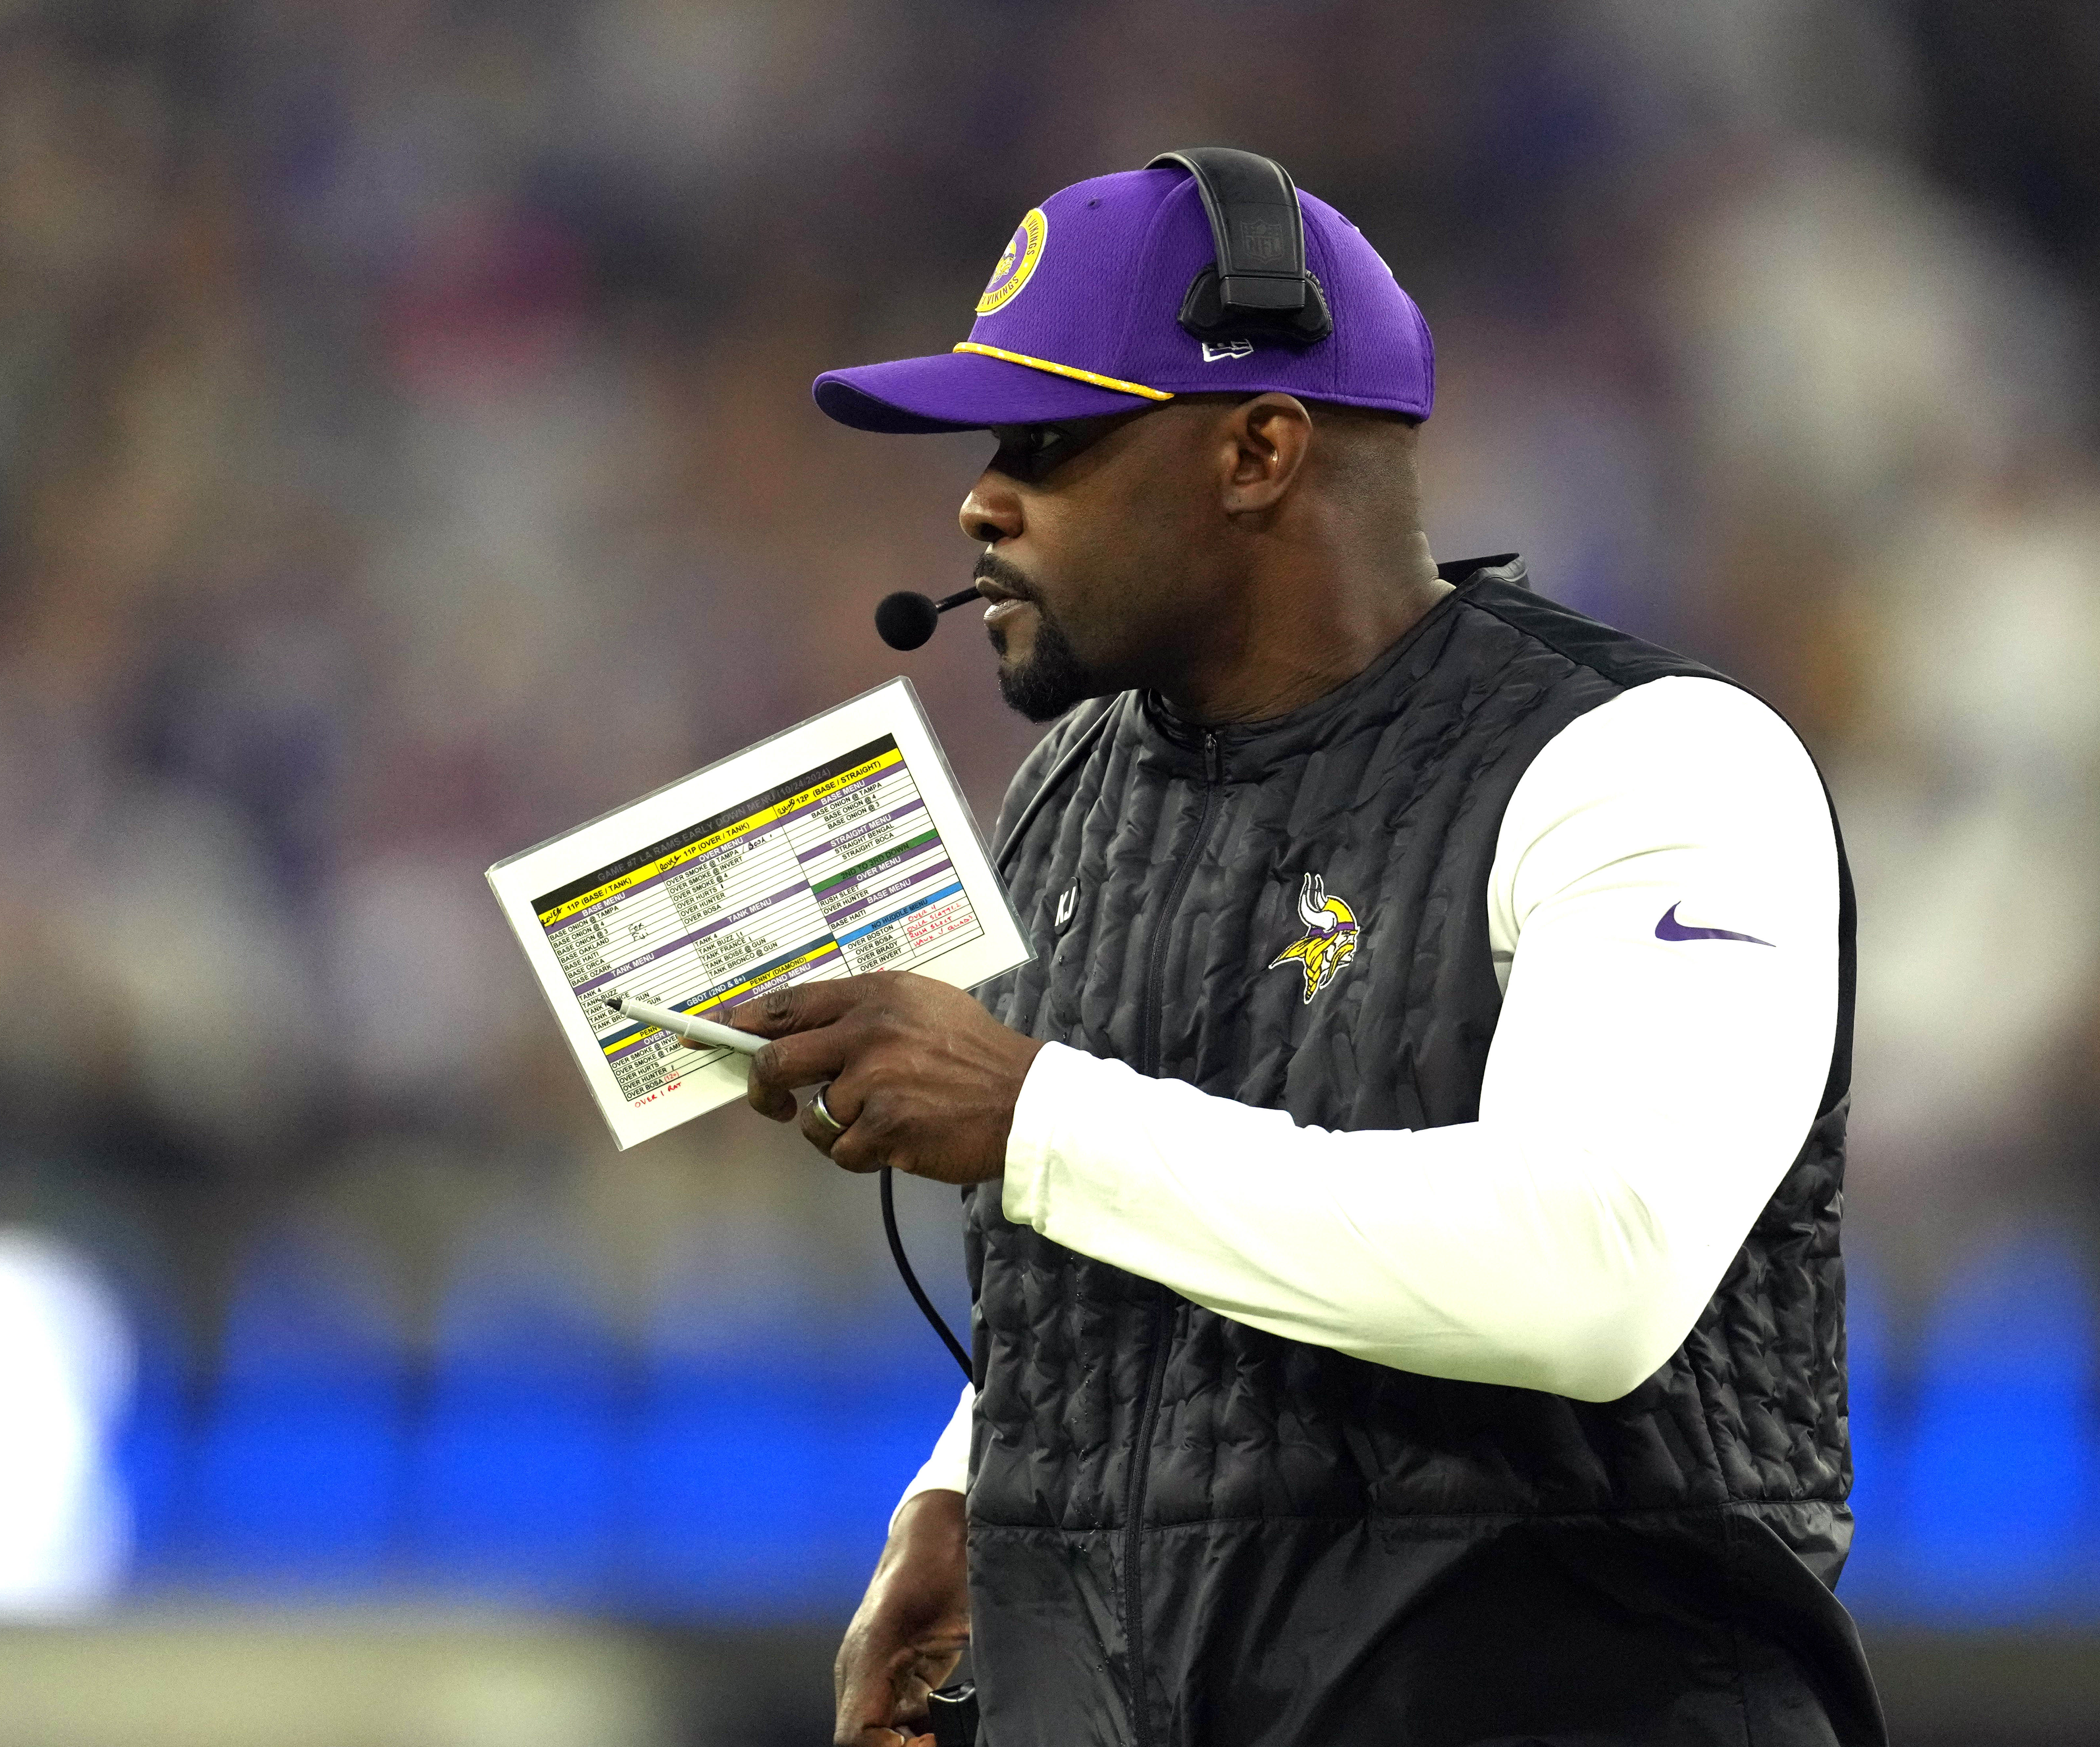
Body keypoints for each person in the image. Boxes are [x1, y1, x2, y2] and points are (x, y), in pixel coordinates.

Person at [729, 150, 1884, 1747]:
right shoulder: (1077, 786)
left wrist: (1028, 1110)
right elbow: (1166, 1218)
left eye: (1049, 440)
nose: (980, 498)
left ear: (1262, 447)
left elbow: (1598, 1271)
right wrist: (968, 1483)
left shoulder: (1654, 760)